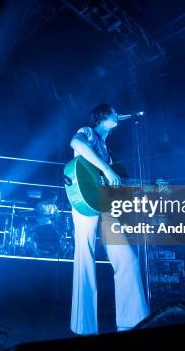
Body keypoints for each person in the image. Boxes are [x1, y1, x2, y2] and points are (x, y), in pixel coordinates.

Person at [69, 103, 149, 335]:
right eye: (113, 111)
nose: (118, 113)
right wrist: (107, 170)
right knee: (85, 256)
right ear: (102, 117)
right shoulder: (87, 131)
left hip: (105, 205)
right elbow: (75, 144)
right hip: (84, 199)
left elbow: (112, 182)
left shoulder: (106, 146)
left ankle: (132, 321)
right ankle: (83, 327)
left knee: (127, 258)